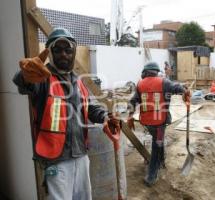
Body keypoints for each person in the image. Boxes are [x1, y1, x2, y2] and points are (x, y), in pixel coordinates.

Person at [13, 27, 118, 200]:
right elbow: (24, 84)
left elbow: (90, 107)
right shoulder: (42, 77)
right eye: (58, 50)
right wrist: (25, 75)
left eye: (68, 50)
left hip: (81, 155)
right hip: (56, 160)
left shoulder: (78, 81)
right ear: (50, 52)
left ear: (74, 52)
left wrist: (106, 117)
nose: (64, 54)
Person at [127, 62, 190, 187]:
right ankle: (151, 175)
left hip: (147, 122)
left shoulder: (140, 84)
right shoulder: (164, 82)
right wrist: (185, 90)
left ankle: (161, 161)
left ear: (145, 72)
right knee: (157, 145)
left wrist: (130, 115)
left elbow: (133, 101)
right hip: (160, 122)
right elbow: (177, 87)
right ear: (156, 71)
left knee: (157, 141)